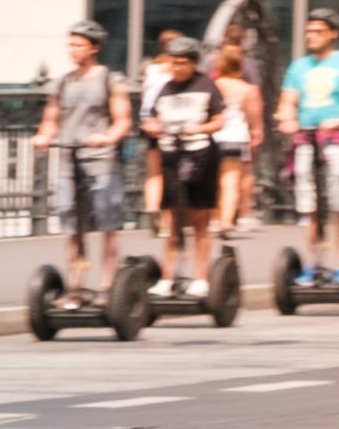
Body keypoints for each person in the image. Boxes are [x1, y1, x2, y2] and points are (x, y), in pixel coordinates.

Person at [33, 19, 134, 307]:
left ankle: (106, 286)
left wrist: (107, 137)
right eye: (70, 44)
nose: (72, 49)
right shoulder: (63, 82)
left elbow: (122, 120)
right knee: (72, 226)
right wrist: (42, 137)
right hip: (69, 160)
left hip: (100, 162)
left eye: (78, 45)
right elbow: (51, 120)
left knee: (107, 224)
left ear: (94, 48)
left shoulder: (110, 80)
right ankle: (75, 287)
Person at [275, 6, 339, 285]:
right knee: (310, 207)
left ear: (333, 34)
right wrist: (286, 120)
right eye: (308, 32)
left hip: (335, 142)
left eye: (317, 32)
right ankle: (313, 263)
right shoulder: (299, 67)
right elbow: (287, 103)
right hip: (306, 140)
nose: (311, 36)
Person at [141, 35, 227, 295]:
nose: (176, 68)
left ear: (192, 63)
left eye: (181, 63)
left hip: (200, 156)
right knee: (173, 222)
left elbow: (219, 120)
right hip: (171, 157)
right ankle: (168, 278)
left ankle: (201, 278)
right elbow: (151, 120)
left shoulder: (206, 85)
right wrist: (152, 127)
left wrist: (198, 128)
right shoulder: (165, 88)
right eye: (173, 62)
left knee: (199, 220)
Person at [212, 42, 267, 236]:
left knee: (214, 181)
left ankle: (215, 218)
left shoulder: (213, 85)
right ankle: (227, 221)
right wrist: (257, 131)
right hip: (235, 136)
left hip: (213, 136)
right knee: (231, 181)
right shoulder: (247, 89)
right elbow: (253, 115)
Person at [141, 29, 184, 230]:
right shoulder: (176, 71)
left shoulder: (151, 69)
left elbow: (145, 96)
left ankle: (152, 207)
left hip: (149, 121)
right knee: (171, 173)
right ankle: (168, 219)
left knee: (153, 172)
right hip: (170, 123)